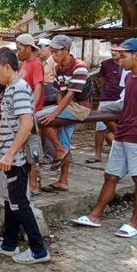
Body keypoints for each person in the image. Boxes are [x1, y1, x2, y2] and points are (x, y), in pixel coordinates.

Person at [72, 38, 137, 238]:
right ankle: (95, 215)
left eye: (123, 56)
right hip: (123, 134)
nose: (120, 60)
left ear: (136, 56)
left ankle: (135, 223)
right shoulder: (131, 78)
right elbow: (126, 106)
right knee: (111, 175)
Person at [0, 48, 50, 264]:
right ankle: (9, 243)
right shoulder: (10, 89)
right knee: (10, 201)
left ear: (7, 67)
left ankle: (39, 251)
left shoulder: (20, 89)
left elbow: (26, 123)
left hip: (17, 159)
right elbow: (4, 124)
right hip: (8, 156)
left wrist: (11, 153)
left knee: (19, 203)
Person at [36, 35, 93, 192]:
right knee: (65, 142)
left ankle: (58, 149)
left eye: (56, 52)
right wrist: (57, 110)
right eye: (52, 52)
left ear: (66, 50)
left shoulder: (80, 67)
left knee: (38, 117)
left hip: (79, 107)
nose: (53, 55)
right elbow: (60, 92)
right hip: (66, 106)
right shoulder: (58, 67)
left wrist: (55, 114)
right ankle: (63, 180)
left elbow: (71, 95)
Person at [85, 38, 124, 163]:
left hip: (122, 99)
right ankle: (97, 154)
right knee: (100, 126)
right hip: (107, 98)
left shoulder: (127, 64)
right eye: (112, 49)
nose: (113, 52)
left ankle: (122, 145)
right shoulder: (106, 64)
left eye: (116, 49)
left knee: (117, 127)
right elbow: (101, 79)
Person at [16, 34, 45, 196]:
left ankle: (34, 185)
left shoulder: (35, 64)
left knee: (31, 148)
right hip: (23, 113)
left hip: (29, 113)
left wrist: (31, 110)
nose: (18, 52)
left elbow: (38, 87)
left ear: (28, 48)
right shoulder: (25, 64)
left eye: (20, 49)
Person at [36, 38, 56, 164]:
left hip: (52, 101)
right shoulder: (42, 63)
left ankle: (50, 155)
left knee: (49, 127)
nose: (40, 51)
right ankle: (47, 154)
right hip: (44, 100)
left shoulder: (54, 63)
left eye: (42, 48)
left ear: (49, 47)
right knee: (42, 127)